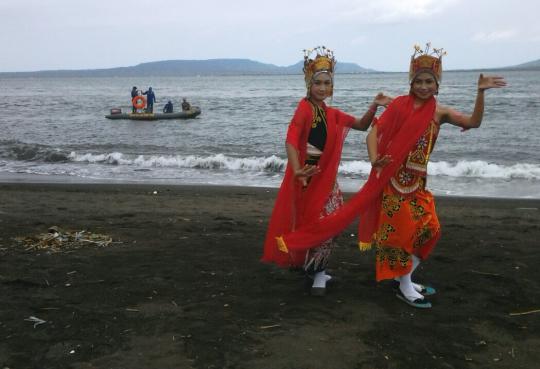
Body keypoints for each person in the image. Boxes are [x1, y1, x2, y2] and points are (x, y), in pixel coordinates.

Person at [275, 43, 506, 308]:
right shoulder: (396, 106)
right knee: (391, 236)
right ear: (411, 81)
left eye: (429, 81)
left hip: (416, 183)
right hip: (383, 183)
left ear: (437, 83)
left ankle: (398, 277)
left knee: (430, 231)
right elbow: (365, 132)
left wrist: (480, 93)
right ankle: (394, 284)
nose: (423, 86)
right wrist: (374, 161)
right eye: (418, 81)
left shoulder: (438, 113)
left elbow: (472, 123)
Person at [262, 46, 392, 296]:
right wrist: (298, 170)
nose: (322, 88)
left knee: (329, 225)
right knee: (322, 226)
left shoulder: (332, 114)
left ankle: (315, 269)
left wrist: (375, 106)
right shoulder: (305, 109)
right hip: (308, 181)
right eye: (318, 83)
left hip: (328, 182)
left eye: (327, 83)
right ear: (308, 85)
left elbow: (363, 125)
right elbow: (291, 139)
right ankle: (318, 275)